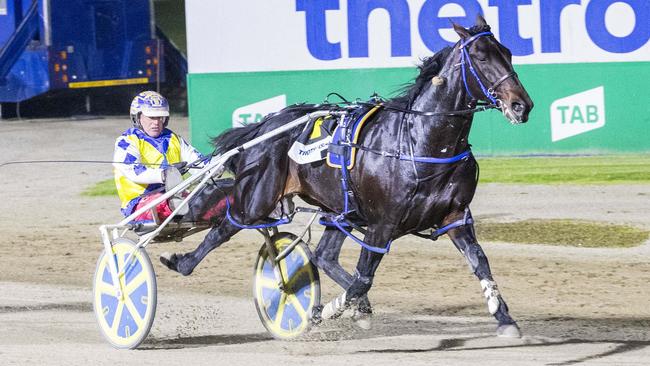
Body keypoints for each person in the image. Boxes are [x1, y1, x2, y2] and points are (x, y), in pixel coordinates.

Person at [113, 91, 208, 222]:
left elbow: (197, 160)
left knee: (210, 197)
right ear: (137, 117)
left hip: (174, 197)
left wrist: (214, 166)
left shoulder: (173, 138)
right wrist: (164, 174)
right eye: (151, 118)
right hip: (139, 204)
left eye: (160, 117)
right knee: (167, 201)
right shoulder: (127, 141)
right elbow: (134, 172)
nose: (156, 122)